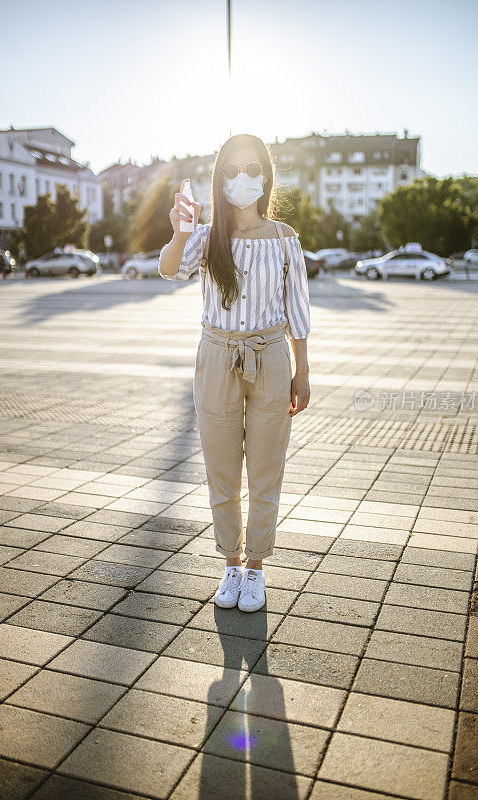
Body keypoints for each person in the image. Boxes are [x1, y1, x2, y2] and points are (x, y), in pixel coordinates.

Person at [159, 133, 311, 613]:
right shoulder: (207, 238)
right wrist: (183, 229)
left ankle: (256, 568)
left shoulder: (285, 238)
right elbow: (168, 269)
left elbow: (298, 309)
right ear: (218, 179)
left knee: (266, 470)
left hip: (270, 358)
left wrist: (301, 372)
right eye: (231, 170)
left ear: (265, 176)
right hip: (217, 358)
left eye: (251, 169)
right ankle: (230, 562)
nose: (241, 179)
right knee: (222, 472)